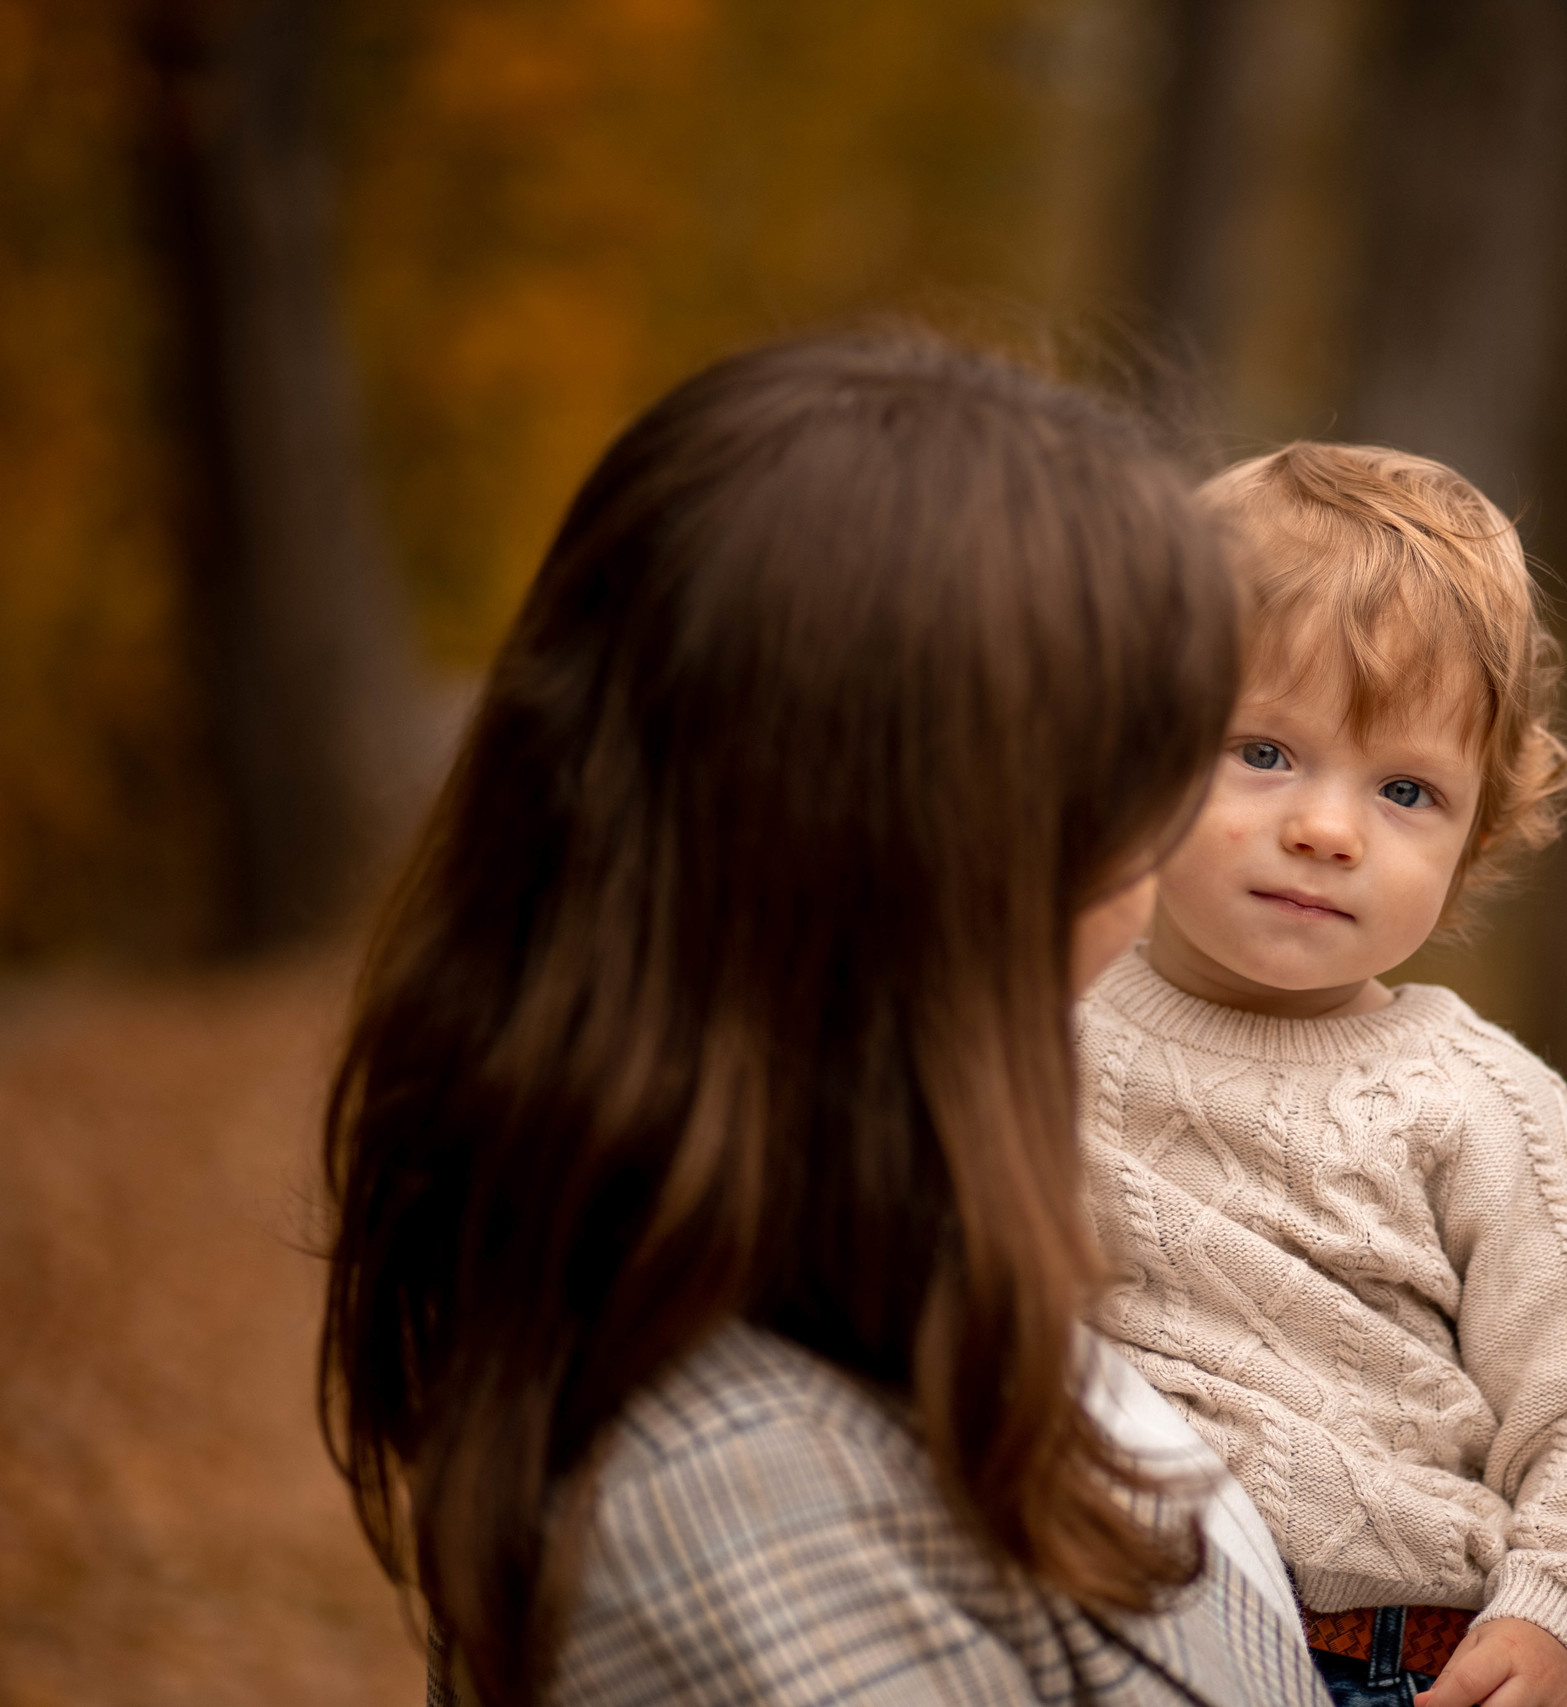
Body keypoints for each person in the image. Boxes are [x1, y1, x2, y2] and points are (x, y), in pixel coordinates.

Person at [320, 337, 1328, 1707]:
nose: (1144, 896)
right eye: (1125, 815)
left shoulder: (900, 1294)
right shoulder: (748, 1513)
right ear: (932, 884)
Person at [1075, 444, 1567, 1707]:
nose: (1327, 830)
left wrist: (1566, 1617)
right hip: (1076, 1611)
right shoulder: (1040, 1026)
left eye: (1405, 789)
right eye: (1263, 752)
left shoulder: (1479, 1105)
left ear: (1477, 837)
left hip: (1379, 1659)